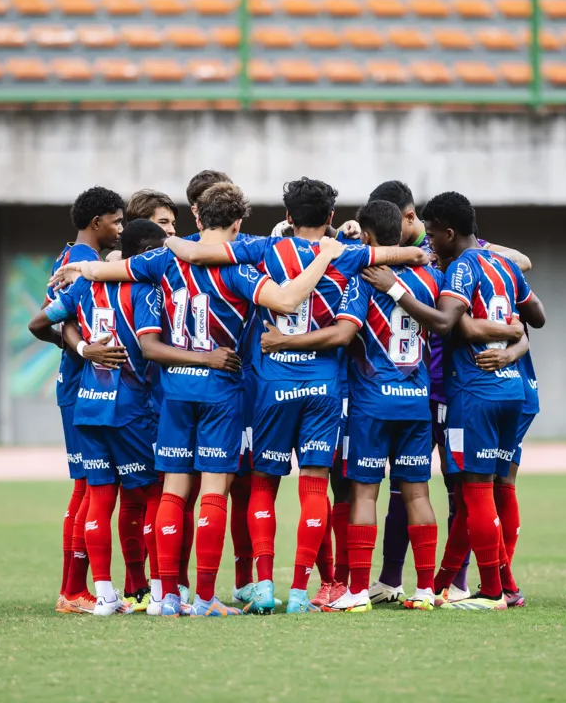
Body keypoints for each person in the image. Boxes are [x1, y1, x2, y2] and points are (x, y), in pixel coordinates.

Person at [49, 182, 348, 617]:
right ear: (239, 222)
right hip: (220, 389)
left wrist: (83, 272)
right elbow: (287, 299)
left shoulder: (165, 259)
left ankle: (166, 596)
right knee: (212, 490)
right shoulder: (241, 267)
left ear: (198, 217)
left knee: (172, 489)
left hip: (174, 390)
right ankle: (206, 598)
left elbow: (113, 271)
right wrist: (325, 254)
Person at [164, 177, 429, 614]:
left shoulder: (262, 249)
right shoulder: (344, 255)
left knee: (263, 486)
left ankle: (264, 585)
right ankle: (303, 592)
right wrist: (366, 246)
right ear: (329, 217)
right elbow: (415, 252)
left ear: (287, 217)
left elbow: (196, 252)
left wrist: (167, 241)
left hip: (273, 385)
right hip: (325, 387)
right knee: (314, 487)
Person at [360, 191, 545, 611]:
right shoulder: (500, 264)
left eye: (432, 235)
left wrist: (393, 290)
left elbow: (447, 324)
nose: (428, 243)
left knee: (472, 492)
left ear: (447, 231)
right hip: (511, 389)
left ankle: (493, 589)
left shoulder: (460, 268)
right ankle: (468, 582)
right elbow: (535, 317)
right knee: (486, 490)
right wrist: (511, 333)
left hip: (471, 392)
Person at [259, 200, 445, 612]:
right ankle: (426, 590)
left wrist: (283, 341)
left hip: (371, 403)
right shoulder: (431, 278)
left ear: (370, 237)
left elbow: (343, 335)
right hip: (415, 403)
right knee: (417, 494)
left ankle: (357, 590)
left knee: (363, 493)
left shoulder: (363, 279)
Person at [29, 219, 174, 615]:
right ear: (147, 255)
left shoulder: (84, 285)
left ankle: (105, 597)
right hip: (130, 408)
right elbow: (150, 347)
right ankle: (161, 594)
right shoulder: (146, 291)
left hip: (88, 403)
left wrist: (80, 349)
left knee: (99, 496)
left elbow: (38, 322)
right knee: (152, 496)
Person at [35, 187, 125, 615]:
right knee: (89, 487)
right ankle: (73, 589)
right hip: (80, 387)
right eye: (116, 221)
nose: (120, 229)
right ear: (96, 223)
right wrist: (80, 350)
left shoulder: (73, 257)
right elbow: (45, 319)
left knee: (87, 487)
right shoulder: (78, 265)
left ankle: (75, 588)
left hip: (81, 383)